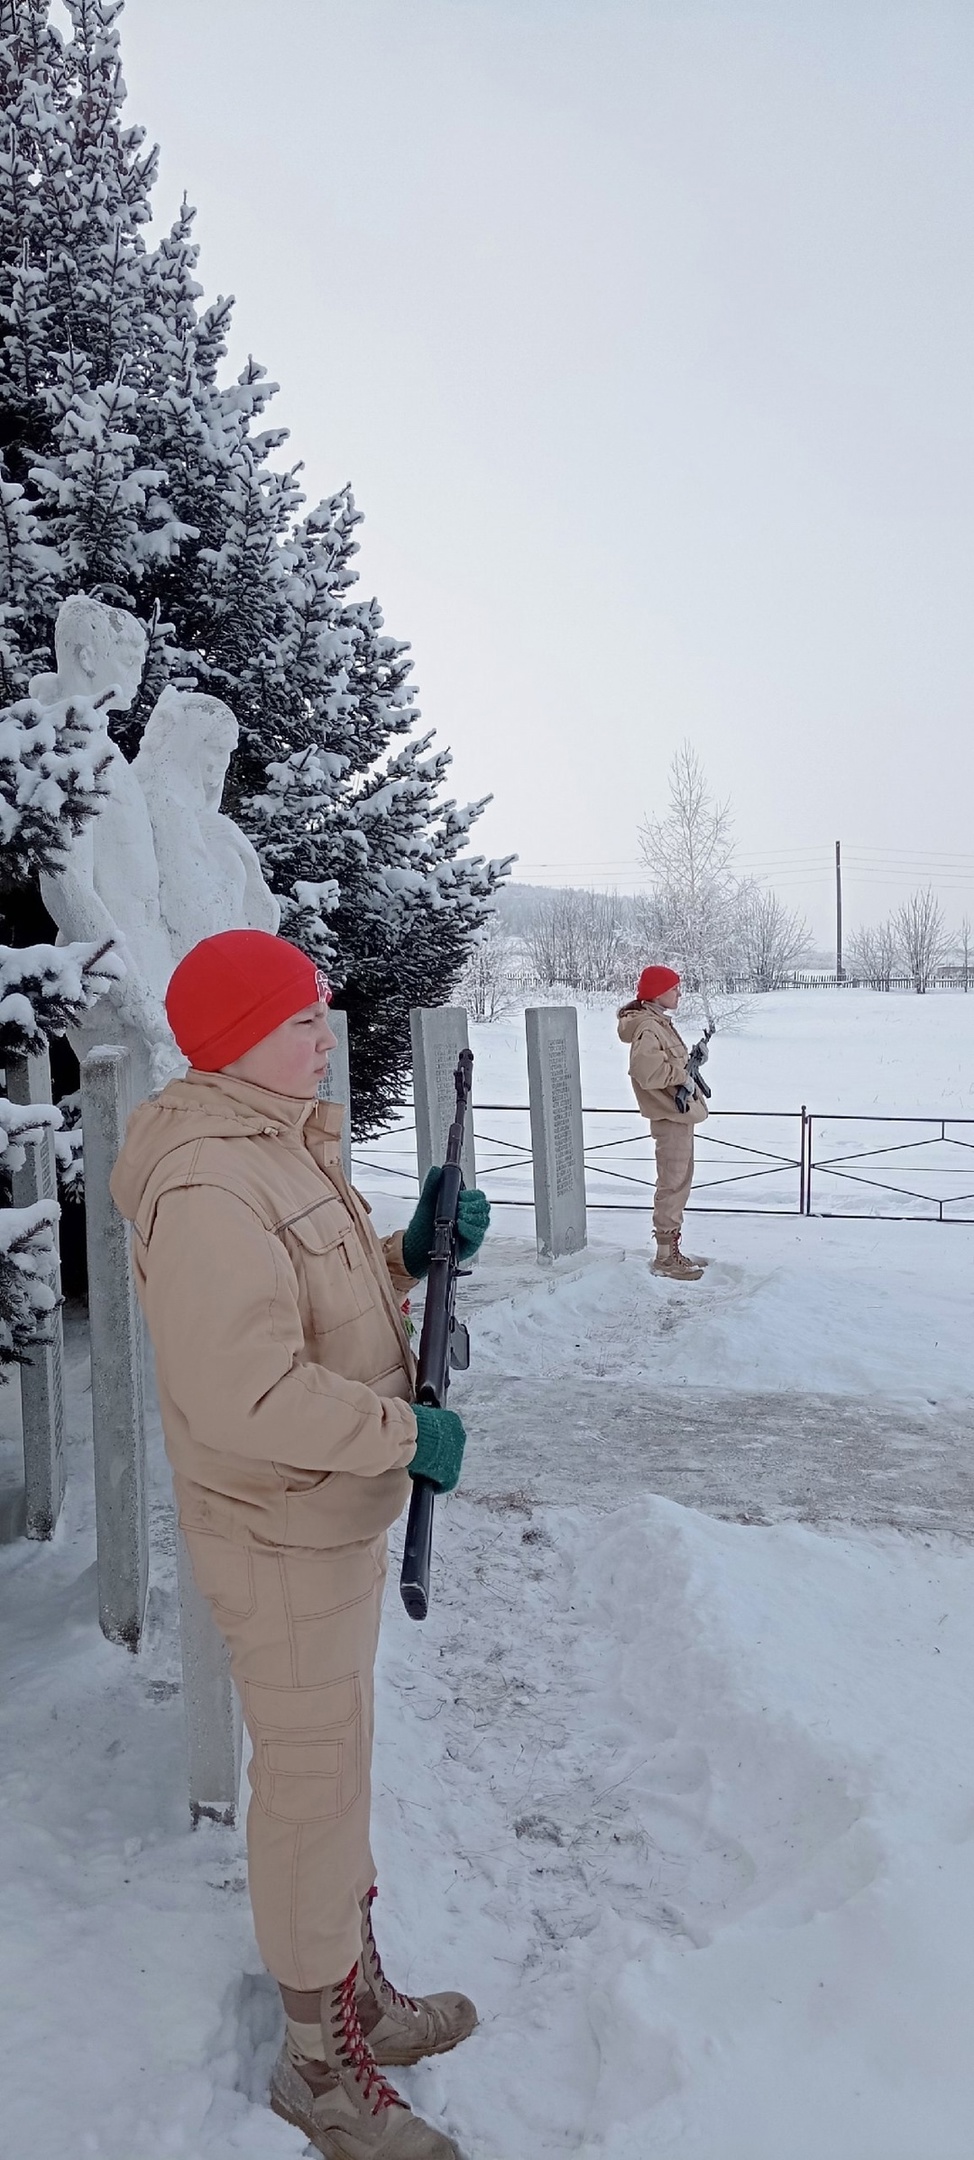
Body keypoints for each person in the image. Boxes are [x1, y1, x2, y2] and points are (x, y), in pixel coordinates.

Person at [110, 929, 491, 2159]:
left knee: (335, 1776)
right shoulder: (215, 1181)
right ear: (233, 1042)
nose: (322, 1035)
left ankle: (356, 1998)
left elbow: (313, 1305)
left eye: (319, 1014)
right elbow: (248, 1392)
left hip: (319, 1526)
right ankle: (316, 2068)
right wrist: (406, 1433)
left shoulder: (273, 1145)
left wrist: (406, 1253)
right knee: (314, 1788)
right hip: (278, 1531)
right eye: (297, 1021)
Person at [617, 964, 709, 1281]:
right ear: (657, 993)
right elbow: (647, 1072)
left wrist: (691, 1063)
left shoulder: (657, 1024)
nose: (679, 993)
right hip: (669, 1117)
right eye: (673, 988)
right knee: (672, 1184)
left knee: (679, 1182)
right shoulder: (648, 1028)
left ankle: (672, 1250)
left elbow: (666, 1064)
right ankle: (665, 1257)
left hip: (678, 1115)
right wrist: (682, 1075)